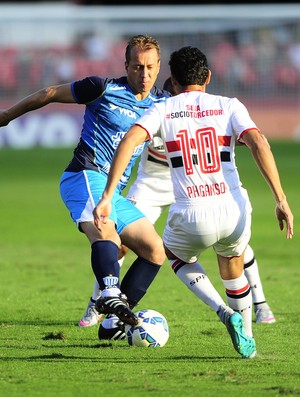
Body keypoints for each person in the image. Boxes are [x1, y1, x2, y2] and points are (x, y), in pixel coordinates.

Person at [93, 46, 293, 358]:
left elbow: (130, 140)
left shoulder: (163, 109)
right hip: (234, 208)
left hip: (191, 211)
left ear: (172, 78)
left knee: (169, 253)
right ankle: (248, 339)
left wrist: (107, 195)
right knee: (233, 265)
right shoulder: (229, 105)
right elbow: (258, 142)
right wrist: (281, 199)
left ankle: (223, 312)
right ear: (208, 77)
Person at [0, 34, 171, 329]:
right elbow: (51, 92)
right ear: (126, 65)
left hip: (112, 191)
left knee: (155, 250)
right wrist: (7, 115)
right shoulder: (102, 88)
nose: (144, 75)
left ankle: (116, 319)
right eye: (137, 67)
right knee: (106, 233)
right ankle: (108, 291)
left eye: (150, 68)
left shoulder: (162, 104)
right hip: (85, 175)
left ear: (159, 67)